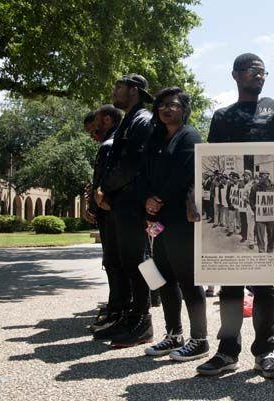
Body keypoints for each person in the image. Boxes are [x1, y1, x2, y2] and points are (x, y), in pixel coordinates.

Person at [196, 53, 274, 379]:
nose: (260, 76)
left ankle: (265, 353)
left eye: (264, 72)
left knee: (265, 287)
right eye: (253, 71)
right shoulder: (222, 116)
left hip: (271, 210)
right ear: (236, 74)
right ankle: (227, 352)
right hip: (241, 208)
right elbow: (209, 157)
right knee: (230, 289)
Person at [140, 87, 209, 361]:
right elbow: (145, 171)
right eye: (162, 105)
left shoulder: (189, 136)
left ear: (184, 110)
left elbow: (184, 174)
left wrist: (159, 198)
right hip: (157, 219)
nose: (167, 109)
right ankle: (173, 334)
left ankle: (200, 339)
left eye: (174, 105)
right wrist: (147, 199)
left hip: (181, 218)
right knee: (164, 278)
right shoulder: (155, 137)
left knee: (189, 279)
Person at [93, 73, 155, 348]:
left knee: (137, 261)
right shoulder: (130, 120)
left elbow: (130, 165)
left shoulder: (142, 120)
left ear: (134, 90)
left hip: (132, 202)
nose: (113, 91)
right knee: (125, 261)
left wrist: (104, 188)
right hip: (122, 202)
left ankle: (143, 321)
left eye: (118, 87)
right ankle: (131, 316)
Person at [85, 105, 129, 333]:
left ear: (108, 120)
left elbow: (101, 181)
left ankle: (119, 310)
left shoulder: (110, 145)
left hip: (110, 211)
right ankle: (119, 307)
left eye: (96, 126)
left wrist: (93, 206)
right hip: (114, 211)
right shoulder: (117, 142)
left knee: (115, 262)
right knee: (118, 262)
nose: (94, 131)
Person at [249, 171, 274, 253]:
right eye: (260, 175)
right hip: (260, 214)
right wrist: (254, 208)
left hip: (271, 214)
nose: (261, 177)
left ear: (268, 176)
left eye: (263, 175)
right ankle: (261, 249)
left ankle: (270, 248)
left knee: (271, 233)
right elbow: (251, 199)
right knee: (260, 233)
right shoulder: (255, 187)